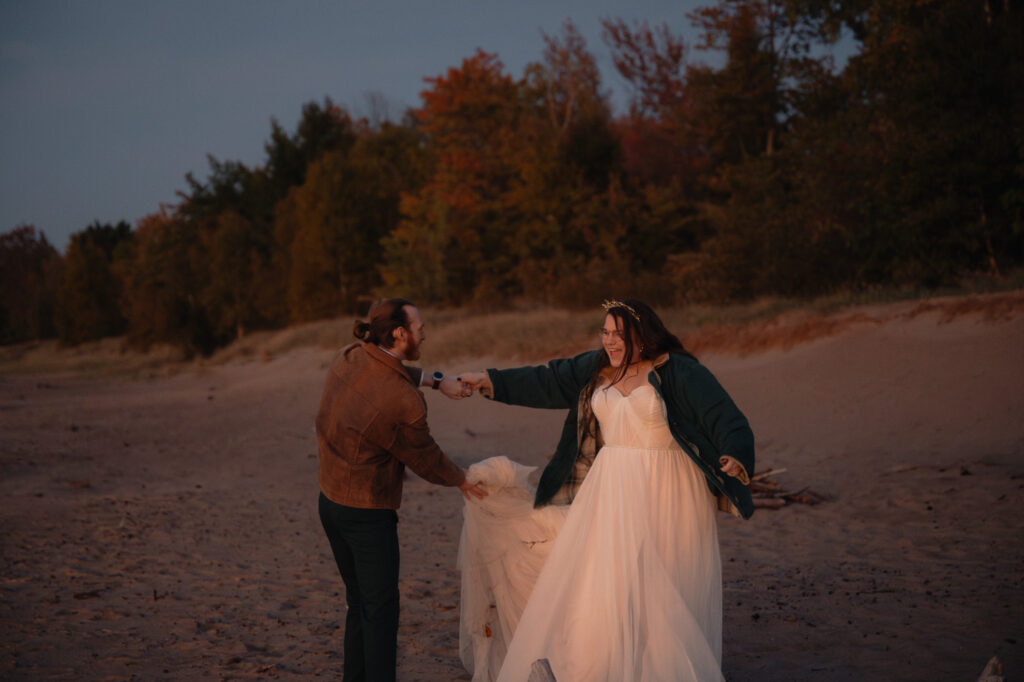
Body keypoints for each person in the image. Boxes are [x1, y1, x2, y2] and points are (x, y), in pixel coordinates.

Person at [457, 299, 754, 682]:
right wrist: (491, 380)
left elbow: (726, 417)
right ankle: (589, 669)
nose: (610, 341)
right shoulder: (598, 368)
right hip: (609, 486)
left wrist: (734, 454)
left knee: (657, 584)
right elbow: (550, 379)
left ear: (642, 336)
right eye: (606, 332)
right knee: (598, 581)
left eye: (619, 334)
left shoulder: (679, 371)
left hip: (667, 488)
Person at [316, 297, 487, 682]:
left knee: (358, 602)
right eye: (418, 327)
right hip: (366, 514)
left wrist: (438, 380)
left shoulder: (351, 356)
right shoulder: (404, 401)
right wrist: (462, 479)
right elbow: (425, 459)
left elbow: (390, 372)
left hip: (329, 502)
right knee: (380, 613)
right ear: (399, 333)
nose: (423, 332)